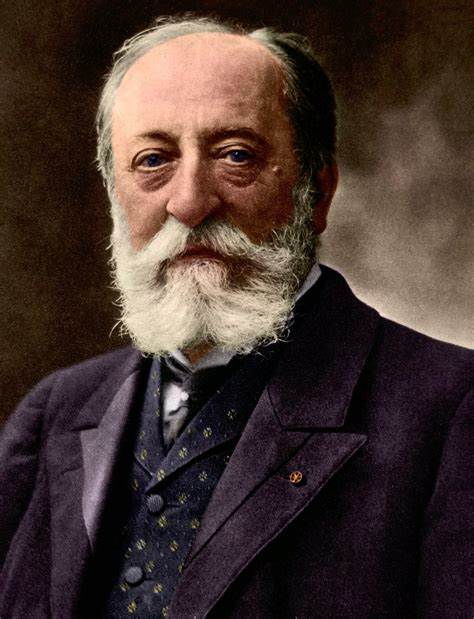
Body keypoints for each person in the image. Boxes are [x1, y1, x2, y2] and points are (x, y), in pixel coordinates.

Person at [0, 15, 472, 619]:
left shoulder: (452, 411)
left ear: (317, 191)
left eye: (235, 155)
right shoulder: (53, 414)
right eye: (152, 160)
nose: (190, 202)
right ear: (115, 194)